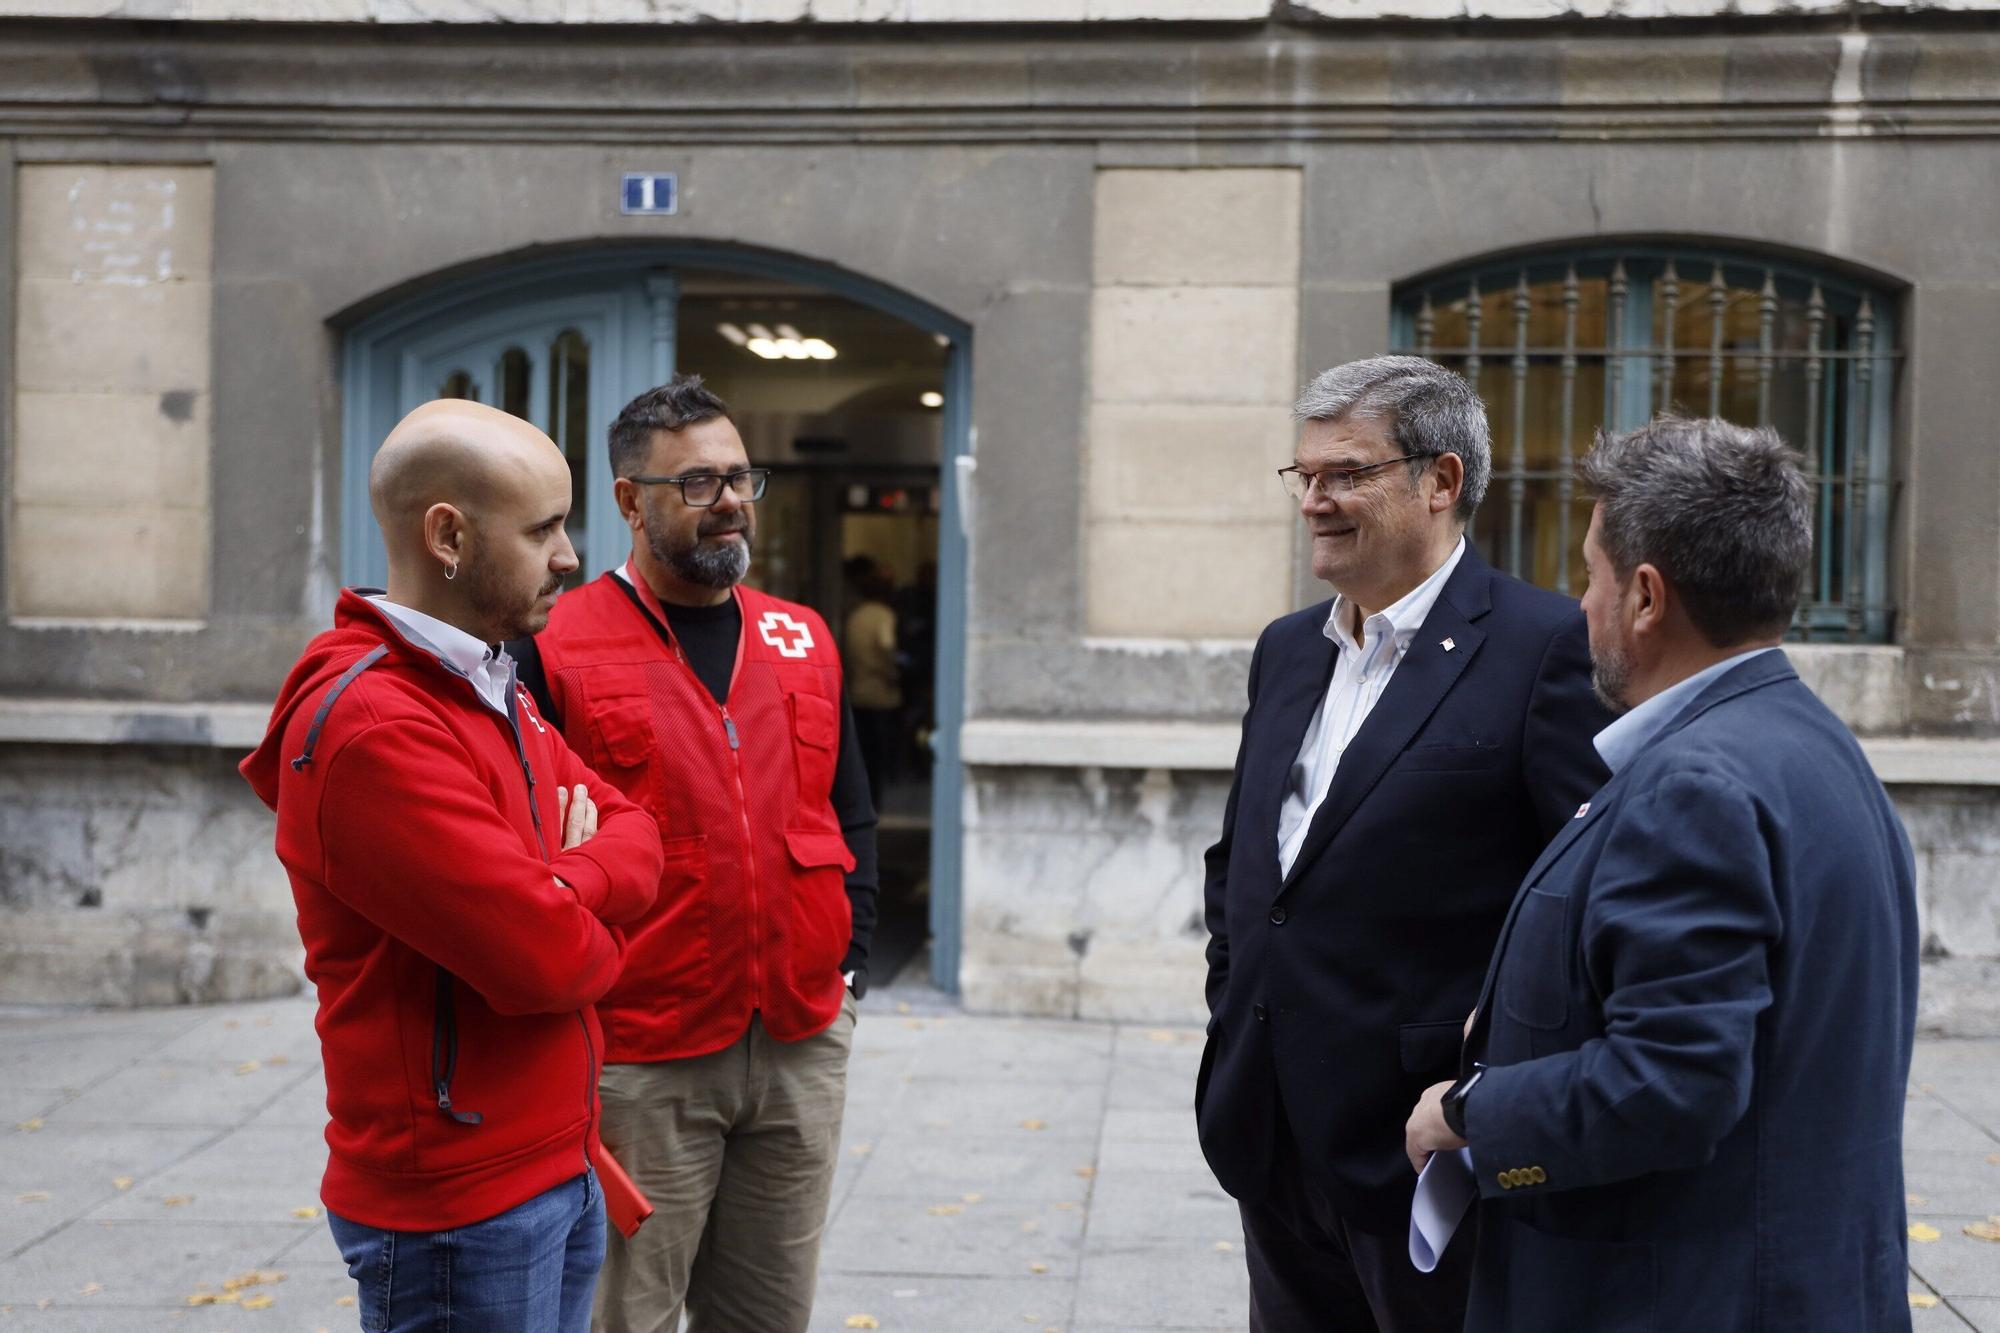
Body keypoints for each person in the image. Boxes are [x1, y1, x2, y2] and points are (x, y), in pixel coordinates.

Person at [1405, 417, 1919, 1332]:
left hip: (1684, 1296)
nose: (1581, 605)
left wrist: (1470, 1111)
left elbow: (1673, 1084)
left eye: (1590, 575)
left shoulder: (1696, 785)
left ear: (1645, 596)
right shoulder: (1812, 741)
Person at [1197, 356, 1612, 1332]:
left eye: (1345, 473)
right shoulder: (1286, 647)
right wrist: (1231, 1003)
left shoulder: (1544, 645)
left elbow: (1583, 902)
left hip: (1423, 1157)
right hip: (1266, 1132)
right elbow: (1247, 864)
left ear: (1440, 480)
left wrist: (1484, 1098)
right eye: (1304, 475)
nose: (1314, 501)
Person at [240, 399, 665, 1332]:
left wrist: (563, 880)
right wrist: (579, 896)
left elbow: (641, 837)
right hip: (460, 1208)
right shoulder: (376, 725)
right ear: (448, 536)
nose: (570, 556)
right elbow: (554, 960)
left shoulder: (486, 679)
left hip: (555, 1162)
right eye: (544, 529)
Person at [509, 375, 879, 1333]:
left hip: (799, 1038)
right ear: (630, 501)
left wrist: (851, 963)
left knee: (767, 1316)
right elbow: (525, 849)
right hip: (640, 1054)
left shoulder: (803, 637)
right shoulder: (556, 647)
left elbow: (849, 812)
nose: (731, 501)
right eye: (699, 483)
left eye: (741, 477)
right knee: (625, 1316)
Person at [844, 562, 903, 800]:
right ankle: (878, 798)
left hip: (857, 690)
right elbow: (886, 645)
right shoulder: (884, 615)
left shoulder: (855, 616)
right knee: (881, 752)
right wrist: (893, 673)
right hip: (881, 692)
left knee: (863, 751)